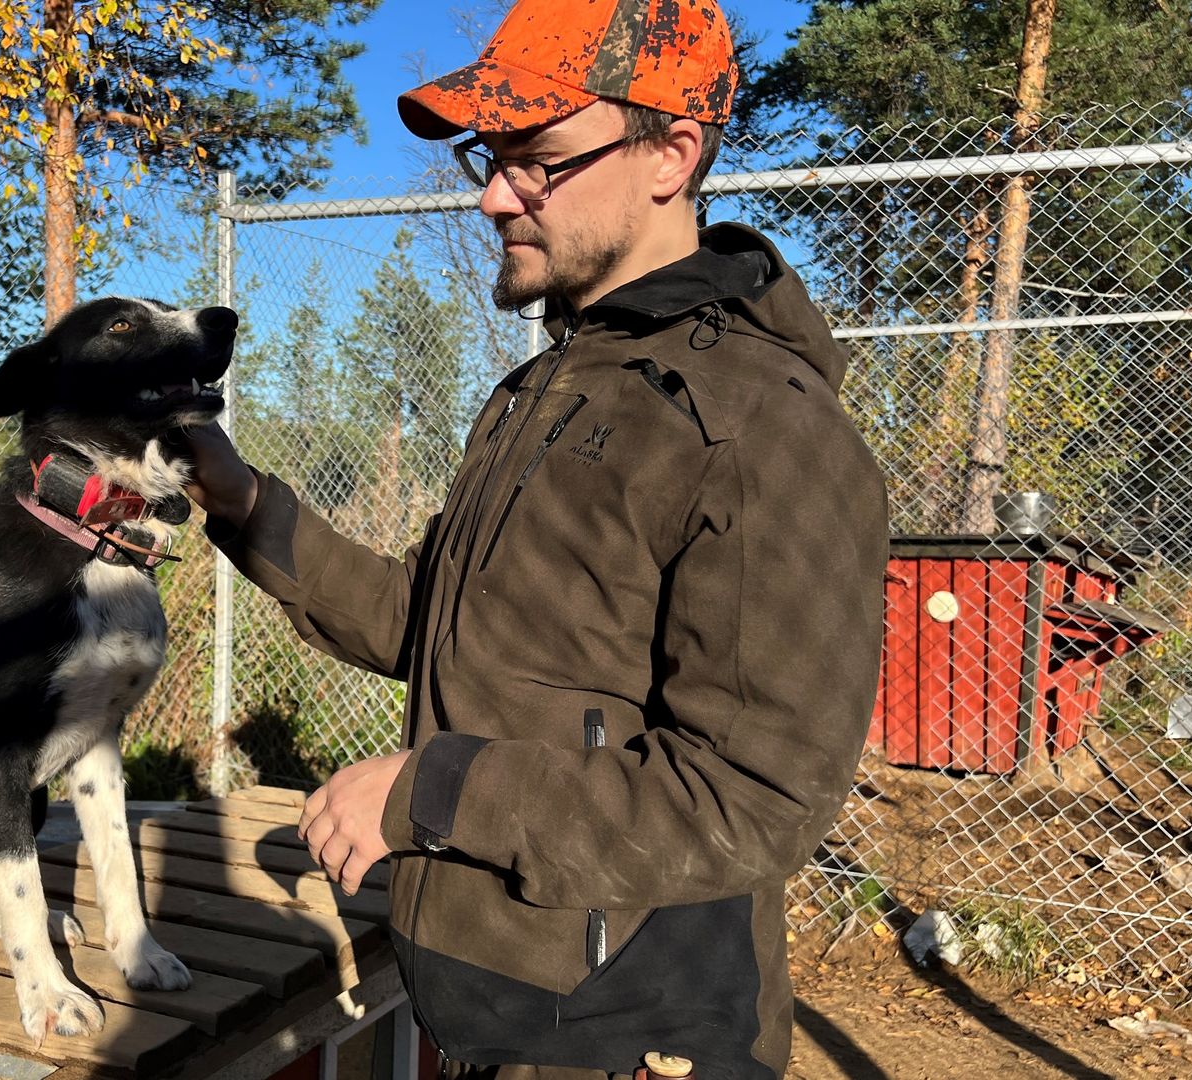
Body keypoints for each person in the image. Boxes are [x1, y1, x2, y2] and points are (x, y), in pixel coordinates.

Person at [179, 0, 890, 1077]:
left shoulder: (759, 425)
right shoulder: (544, 389)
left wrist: (433, 791)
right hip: (493, 1007)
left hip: (628, 1034)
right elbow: (432, 624)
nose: (492, 195)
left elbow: (754, 798)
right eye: (490, 156)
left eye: (538, 161)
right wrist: (240, 502)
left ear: (671, 156)